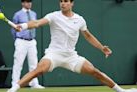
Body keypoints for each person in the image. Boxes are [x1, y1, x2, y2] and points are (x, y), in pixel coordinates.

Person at [8, 0, 137, 92]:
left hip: (71, 56)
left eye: (65, 1)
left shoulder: (80, 19)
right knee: (38, 70)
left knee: (95, 72)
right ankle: (14, 88)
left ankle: (120, 90)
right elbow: (36, 23)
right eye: (61, 1)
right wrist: (24, 26)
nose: (62, 3)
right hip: (54, 54)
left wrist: (101, 47)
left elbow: (88, 36)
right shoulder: (53, 16)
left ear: (72, 3)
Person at [10, 0, 44, 89]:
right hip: (21, 41)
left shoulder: (34, 14)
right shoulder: (17, 14)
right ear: (22, 3)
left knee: (34, 64)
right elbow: (13, 29)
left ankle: (34, 83)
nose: (29, 3)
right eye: (27, 2)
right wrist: (17, 40)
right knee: (18, 63)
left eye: (30, 2)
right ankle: (15, 83)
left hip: (32, 41)